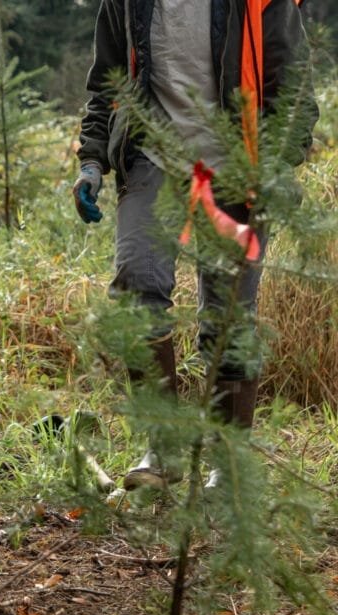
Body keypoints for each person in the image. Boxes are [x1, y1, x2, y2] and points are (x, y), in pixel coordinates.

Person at [71, 0, 316, 490]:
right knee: (138, 283)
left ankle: (227, 458)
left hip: (237, 162)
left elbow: (292, 84)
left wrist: (277, 164)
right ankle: (162, 449)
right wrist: (93, 159)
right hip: (153, 155)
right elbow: (108, 82)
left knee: (228, 318)